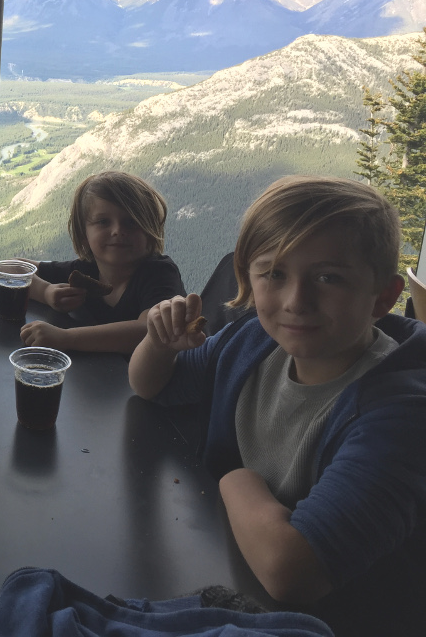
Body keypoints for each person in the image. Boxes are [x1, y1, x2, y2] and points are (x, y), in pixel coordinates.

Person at [128, 175, 426, 637]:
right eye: (274, 274)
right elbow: (154, 385)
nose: (296, 302)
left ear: (384, 297)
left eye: (329, 278)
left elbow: (293, 571)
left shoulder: (400, 414)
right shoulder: (254, 342)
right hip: (238, 579)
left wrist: (235, 478)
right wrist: (158, 343)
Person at [20, 171, 185, 354]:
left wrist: (65, 338)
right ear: (84, 235)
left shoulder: (159, 273)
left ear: (150, 230)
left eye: (131, 222)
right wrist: (46, 291)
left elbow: (149, 331)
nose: (117, 231)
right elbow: (9, 268)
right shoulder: (85, 270)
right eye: (103, 222)